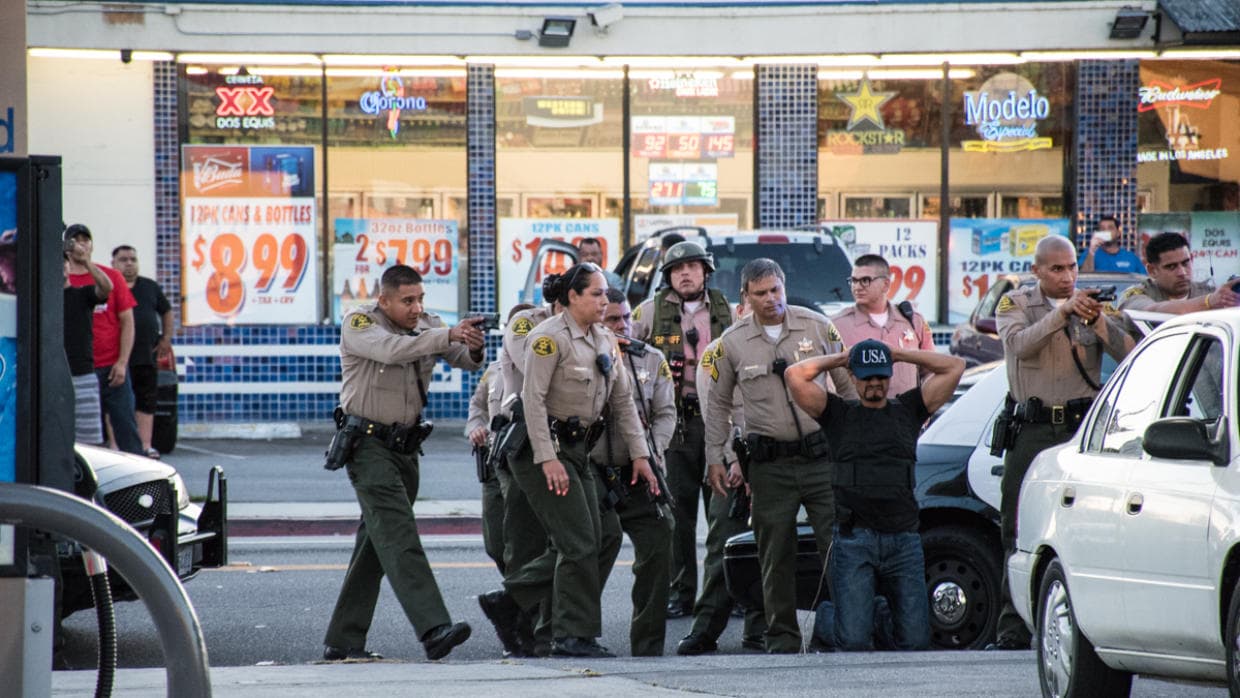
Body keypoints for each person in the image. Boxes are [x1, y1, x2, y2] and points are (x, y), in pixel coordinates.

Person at [492, 263, 658, 658]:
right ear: (572, 297)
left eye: (606, 294)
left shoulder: (602, 338)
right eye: (597, 294)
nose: (605, 301)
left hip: (580, 451)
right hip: (542, 449)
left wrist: (641, 455)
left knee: (602, 536)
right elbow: (531, 401)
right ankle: (570, 636)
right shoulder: (547, 339)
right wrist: (548, 460)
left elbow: (622, 403)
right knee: (579, 542)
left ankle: (512, 601)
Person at [322, 264, 486, 662]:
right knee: (398, 535)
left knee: (376, 545)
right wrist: (447, 333)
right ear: (385, 300)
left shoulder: (427, 324)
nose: (416, 308)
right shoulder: (360, 322)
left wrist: (473, 343)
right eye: (407, 300)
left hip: (406, 449)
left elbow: (465, 360)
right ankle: (433, 628)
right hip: (367, 446)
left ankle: (343, 639)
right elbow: (391, 350)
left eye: (420, 299)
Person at [704, 258, 855, 653]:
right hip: (770, 464)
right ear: (746, 297)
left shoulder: (818, 326)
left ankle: (846, 629)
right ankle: (782, 636)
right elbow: (718, 405)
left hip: (821, 457)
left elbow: (847, 385)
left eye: (776, 290)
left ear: (784, 285)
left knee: (838, 545)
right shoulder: (731, 343)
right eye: (761, 293)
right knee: (774, 553)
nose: (772, 299)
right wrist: (715, 458)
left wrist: (856, 443)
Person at [991, 235, 1133, 649]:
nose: (1067, 276)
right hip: (1033, 428)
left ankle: (1089, 625)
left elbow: (1131, 353)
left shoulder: (1096, 304)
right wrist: (1062, 314)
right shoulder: (1015, 304)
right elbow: (1019, 345)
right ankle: (1012, 627)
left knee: (1088, 527)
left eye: (1071, 267)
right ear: (1036, 271)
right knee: (1016, 525)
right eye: (1056, 269)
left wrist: (1098, 323)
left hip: (1079, 428)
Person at [788, 339, 965, 650]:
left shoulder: (909, 409)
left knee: (915, 643)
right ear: (854, 378)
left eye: (880, 376)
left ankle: (876, 614)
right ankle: (827, 617)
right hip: (855, 539)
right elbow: (794, 374)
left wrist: (896, 354)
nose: (874, 384)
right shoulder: (837, 414)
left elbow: (955, 366)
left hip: (904, 540)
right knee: (854, 642)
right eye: (866, 376)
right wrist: (843, 358)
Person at [631, 240, 735, 618]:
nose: (685, 274)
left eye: (693, 267)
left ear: (706, 272)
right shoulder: (647, 312)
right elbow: (622, 353)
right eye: (677, 269)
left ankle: (722, 595)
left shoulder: (731, 312)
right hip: (674, 427)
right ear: (668, 277)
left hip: (720, 425)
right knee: (677, 517)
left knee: (724, 517)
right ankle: (681, 593)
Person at [677, 294, 769, 655]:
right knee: (725, 549)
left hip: (774, 463)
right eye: (752, 304)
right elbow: (717, 416)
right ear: (741, 309)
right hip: (732, 466)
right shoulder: (717, 353)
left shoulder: (782, 345)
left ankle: (759, 629)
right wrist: (734, 461)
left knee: (770, 548)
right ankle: (705, 630)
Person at [593, 287, 677, 656]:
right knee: (592, 546)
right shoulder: (583, 356)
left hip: (640, 469)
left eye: (626, 317)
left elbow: (665, 414)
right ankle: (573, 633)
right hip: (595, 469)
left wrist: (654, 451)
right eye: (612, 319)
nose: (623, 325)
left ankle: (648, 644)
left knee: (661, 537)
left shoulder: (651, 358)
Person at [63, 224, 143, 456]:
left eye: (85, 240)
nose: (81, 245)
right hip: (76, 369)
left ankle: (138, 476)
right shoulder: (62, 277)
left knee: (125, 425)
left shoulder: (110, 276)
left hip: (110, 367)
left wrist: (122, 362)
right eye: (75, 241)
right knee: (81, 432)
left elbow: (127, 320)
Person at [831, 254, 935, 396]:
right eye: (853, 281)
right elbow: (828, 377)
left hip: (906, 415)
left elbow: (930, 370)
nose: (857, 287)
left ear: (886, 284)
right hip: (860, 415)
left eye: (865, 281)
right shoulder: (837, 325)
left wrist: (924, 407)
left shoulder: (913, 321)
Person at [111, 245, 173, 459]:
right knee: (116, 402)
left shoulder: (150, 287)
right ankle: (115, 445)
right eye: (124, 259)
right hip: (117, 357)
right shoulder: (109, 286)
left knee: (146, 401)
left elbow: (166, 311)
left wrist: (166, 338)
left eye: (133, 259)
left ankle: (145, 445)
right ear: (114, 263)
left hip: (145, 355)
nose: (129, 263)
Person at [1117, 232, 1240, 315]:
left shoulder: (1208, 292)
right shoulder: (1136, 295)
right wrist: (1209, 302)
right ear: (1152, 271)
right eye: (1171, 267)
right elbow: (1152, 311)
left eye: (1185, 263)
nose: (1182, 272)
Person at [63, 242, 112, 445]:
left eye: (63, 262)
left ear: (68, 267)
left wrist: (86, 262)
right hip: (50, 376)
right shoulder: (40, 298)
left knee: (88, 442)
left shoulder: (83, 294)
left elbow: (106, 288)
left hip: (82, 374)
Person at [465, 358, 506, 574]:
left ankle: (526, 602)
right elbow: (478, 405)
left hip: (525, 466)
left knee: (525, 545)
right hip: (493, 465)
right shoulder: (494, 368)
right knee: (495, 543)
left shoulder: (541, 363)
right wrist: (476, 427)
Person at [1077, 215, 1143, 273]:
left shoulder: (1131, 257)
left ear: (1118, 233)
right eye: (1102, 228)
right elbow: (1084, 278)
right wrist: (1092, 251)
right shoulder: (1089, 254)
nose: (1106, 231)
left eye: (1110, 228)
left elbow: (1144, 279)